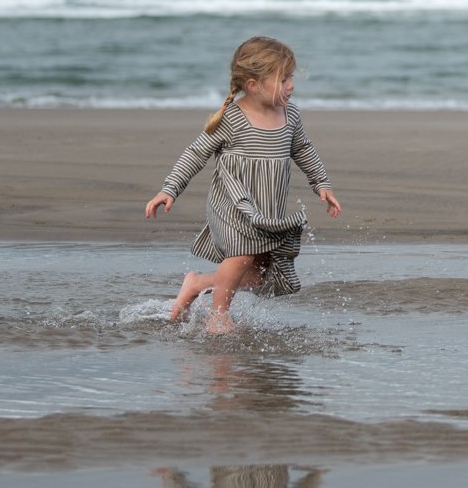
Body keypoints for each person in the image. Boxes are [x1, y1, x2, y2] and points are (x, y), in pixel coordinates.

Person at [145, 36, 341, 332]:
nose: (291, 85)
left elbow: (302, 149)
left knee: (258, 275)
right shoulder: (232, 119)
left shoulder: (290, 115)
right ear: (253, 85)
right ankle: (219, 316)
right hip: (232, 204)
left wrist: (321, 183)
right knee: (240, 256)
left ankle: (197, 283)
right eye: (283, 79)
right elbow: (196, 153)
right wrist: (169, 188)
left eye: (291, 78)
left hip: (265, 211)